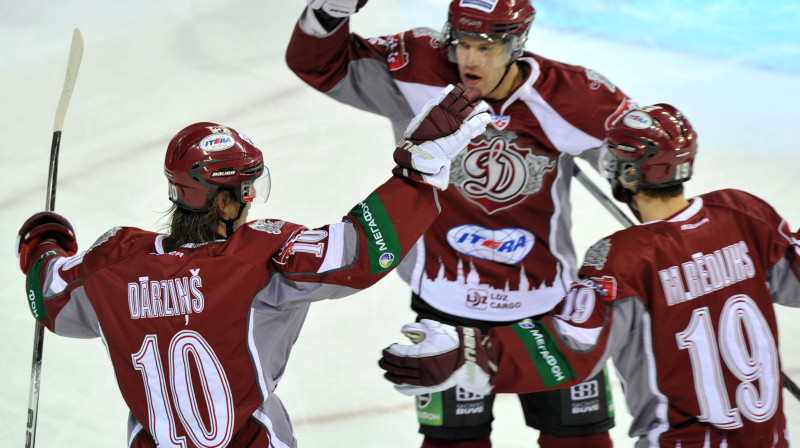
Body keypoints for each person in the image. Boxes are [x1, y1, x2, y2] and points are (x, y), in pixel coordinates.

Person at [15, 84, 489, 448]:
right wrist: (416, 173)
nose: (251, 198)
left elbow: (48, 296)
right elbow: (357, 253)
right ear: (223, 202)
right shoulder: (258, 258)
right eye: (246, 189)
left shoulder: (112, 263)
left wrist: (43, 241)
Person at [286, 1, 638, 446]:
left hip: (549, 308)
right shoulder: (417, 66)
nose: (470, 60)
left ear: (517, 44)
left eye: (486, 48)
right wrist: (328, 10)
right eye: (463, 44)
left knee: (581, 441)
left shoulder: (572, 95)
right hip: (445, 307)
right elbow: (320, 65)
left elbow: (642, 161)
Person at [379, 103, 798, 447]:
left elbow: (568, 346)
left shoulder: (623, 259)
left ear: (630, 174)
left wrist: (467, 352)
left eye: (614, 159)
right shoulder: (744, 214)